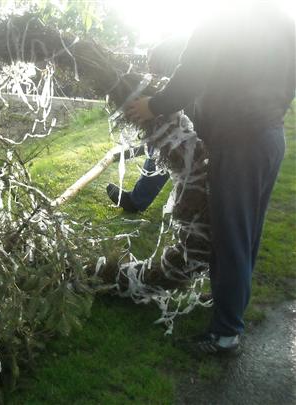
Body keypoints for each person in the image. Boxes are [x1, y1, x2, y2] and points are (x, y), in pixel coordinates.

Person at [126, 3, 295, 354]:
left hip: (239, 140)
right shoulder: (283, 20)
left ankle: (225, 335)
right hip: (269, 137)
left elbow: (192, 73)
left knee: (229, 236)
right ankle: (230, 311)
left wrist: (153, 105)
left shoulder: (224, 16)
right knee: (245, 234)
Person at [107, 35, 189, 212]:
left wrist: (154, 107)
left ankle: (136, 201)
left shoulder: (176, 68)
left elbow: (176, 97)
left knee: (163, 146)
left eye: (151, 63)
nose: (148, 68)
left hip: (187, 118)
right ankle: (137, 199)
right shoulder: (176, 60)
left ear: (161, 58)